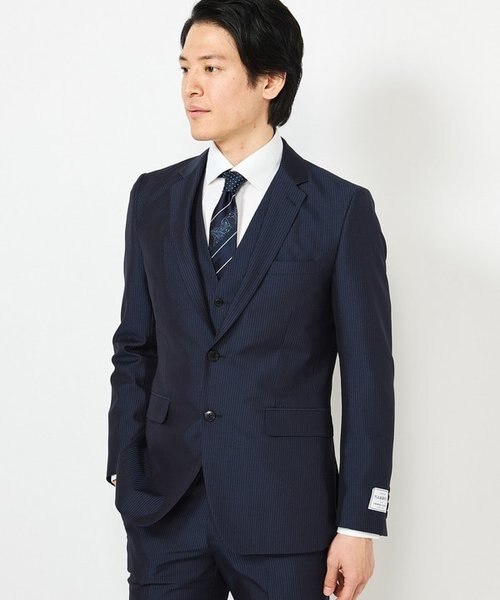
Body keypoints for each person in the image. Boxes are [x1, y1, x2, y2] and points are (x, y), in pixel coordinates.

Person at [107, 1, 395, 598]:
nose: (191, 86)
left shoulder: (340, 210)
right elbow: (136, 346)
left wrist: (359, 523)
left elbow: (368, 376)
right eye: (185, 67)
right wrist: (124, 465)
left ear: (270, 80)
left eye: (211, 68)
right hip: (166, 513)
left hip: (286, 512)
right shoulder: (153, 198)